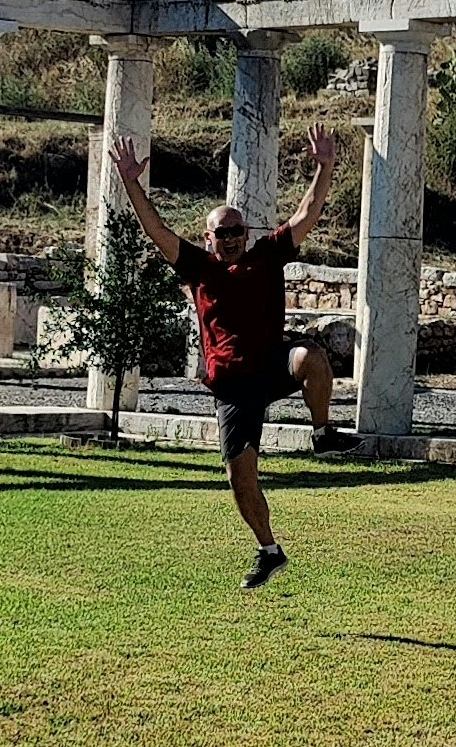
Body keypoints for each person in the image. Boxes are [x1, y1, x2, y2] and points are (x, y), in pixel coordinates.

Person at [105, 127, 346, 587]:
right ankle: (269, 550)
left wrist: (325, 167)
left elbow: (306, 213)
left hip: (271, 364)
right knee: (240, 480)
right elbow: (156, 230)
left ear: (247, 233)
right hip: (233, 388)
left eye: (237, 231)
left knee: (310, 355)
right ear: (209, 237)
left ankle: (322, 433)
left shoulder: (267, 255)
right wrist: (132, 182)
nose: (231, 238)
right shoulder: (199, 267)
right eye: (223, 233)